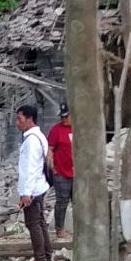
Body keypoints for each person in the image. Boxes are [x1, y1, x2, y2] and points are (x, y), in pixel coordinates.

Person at [16, 105, 52, 261]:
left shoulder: (31, 140)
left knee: (33, 223)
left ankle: (40, 258)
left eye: (20, 119)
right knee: (40, 222)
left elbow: (30, 169)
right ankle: (46, 254)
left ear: (30, 119)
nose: (17, 123)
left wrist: (26, 193)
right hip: (39, 185)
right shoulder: (39, 137)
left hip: (34, 188)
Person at [46, 102, 74, 240]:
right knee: (62, 202)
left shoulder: (79, 129)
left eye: (66, 116)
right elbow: (50, 149)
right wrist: (52, 166)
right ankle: (59, 229)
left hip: (78, 173)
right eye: (62, 117)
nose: (63, 119)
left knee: (79, 202)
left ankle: (80, 228)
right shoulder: (56, 130)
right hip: (61, 172)